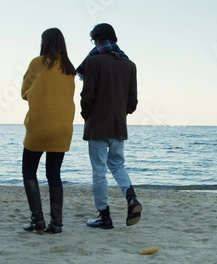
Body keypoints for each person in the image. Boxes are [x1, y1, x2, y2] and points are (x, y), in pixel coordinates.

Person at [77, 23, 142, 229]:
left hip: (97, 124)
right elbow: (133, 102)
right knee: (117, 165)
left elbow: (87, 96)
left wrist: (87, 115)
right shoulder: (130, 65)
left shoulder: (93, 61)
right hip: (118, 125)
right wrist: (120, 114)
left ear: (97, 40)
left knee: (99, 171)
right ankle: (131, 198)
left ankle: (104, 215)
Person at [21, 28, 76, 234]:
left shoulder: (37, 63)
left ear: (45, 43)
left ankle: (38, 221)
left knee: (29, 171)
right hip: (62, 128)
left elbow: (24, 92)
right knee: (54, 174)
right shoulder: (70, 69)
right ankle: (57, 223)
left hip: (39, 126)